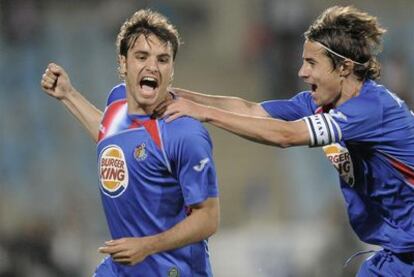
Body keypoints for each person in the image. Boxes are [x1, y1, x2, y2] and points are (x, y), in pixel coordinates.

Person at [158, 5, 414, 276]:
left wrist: (205, 114)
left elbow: (286, 135)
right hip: (399, 256)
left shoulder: (372, 109)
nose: (302, 72)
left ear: (343, 67)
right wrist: (179, 97)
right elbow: (250, 110)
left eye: (312, 63)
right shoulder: (322, 105)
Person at [40, 9, 220, 276]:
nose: (152, 67)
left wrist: (146, 246)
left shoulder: (185, 133)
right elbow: (111, 138)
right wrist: (68, 95)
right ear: (123, 63)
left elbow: (208, 219)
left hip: (173, 270)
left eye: (163, 59)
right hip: (122, 269)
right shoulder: (116, 104)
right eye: (142, 56)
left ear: (171, 70)